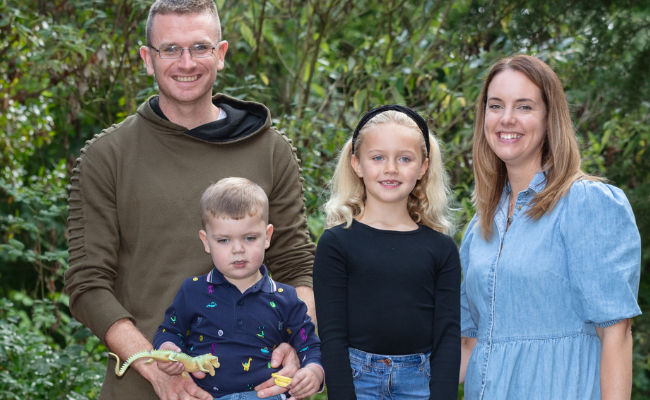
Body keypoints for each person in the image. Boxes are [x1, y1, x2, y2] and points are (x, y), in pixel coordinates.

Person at [62, 1, 316, 399]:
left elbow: (297, 265)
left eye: (200, 47)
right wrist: (156, 368)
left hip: (259, 388)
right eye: (170, 49)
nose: (186, 62)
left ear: (221, 53)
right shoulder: (108, 156)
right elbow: (88, 285)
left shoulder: (269, 149)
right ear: (148, 59)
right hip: (145, 390)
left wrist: (299, 345)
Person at [458, 54, 641, 399]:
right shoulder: (479, 227)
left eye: (524, 107)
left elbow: (616, 334)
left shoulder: (585, 204)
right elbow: (469, 347)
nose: (507, 119)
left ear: (549, 118)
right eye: (495, 106)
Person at [313, 105, 462, 400]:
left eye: (404, 158)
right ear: (357, 164)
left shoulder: (441, 248)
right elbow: (331, 334)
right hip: (357, 382)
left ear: (422, 167)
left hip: (421, 383)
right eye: (378, 157)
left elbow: (447, 336)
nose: (390, 168)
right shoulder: (335, 243)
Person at [150, 178, 324, 400]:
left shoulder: (286, 297)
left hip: (265, 395)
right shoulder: (191, 291)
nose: (238, 250)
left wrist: (313, 372)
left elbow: (309, 344)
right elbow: (169, 330)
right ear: (206, 241)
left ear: (267, 236)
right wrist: (169, 349)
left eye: (249, 238)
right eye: (224, 240)